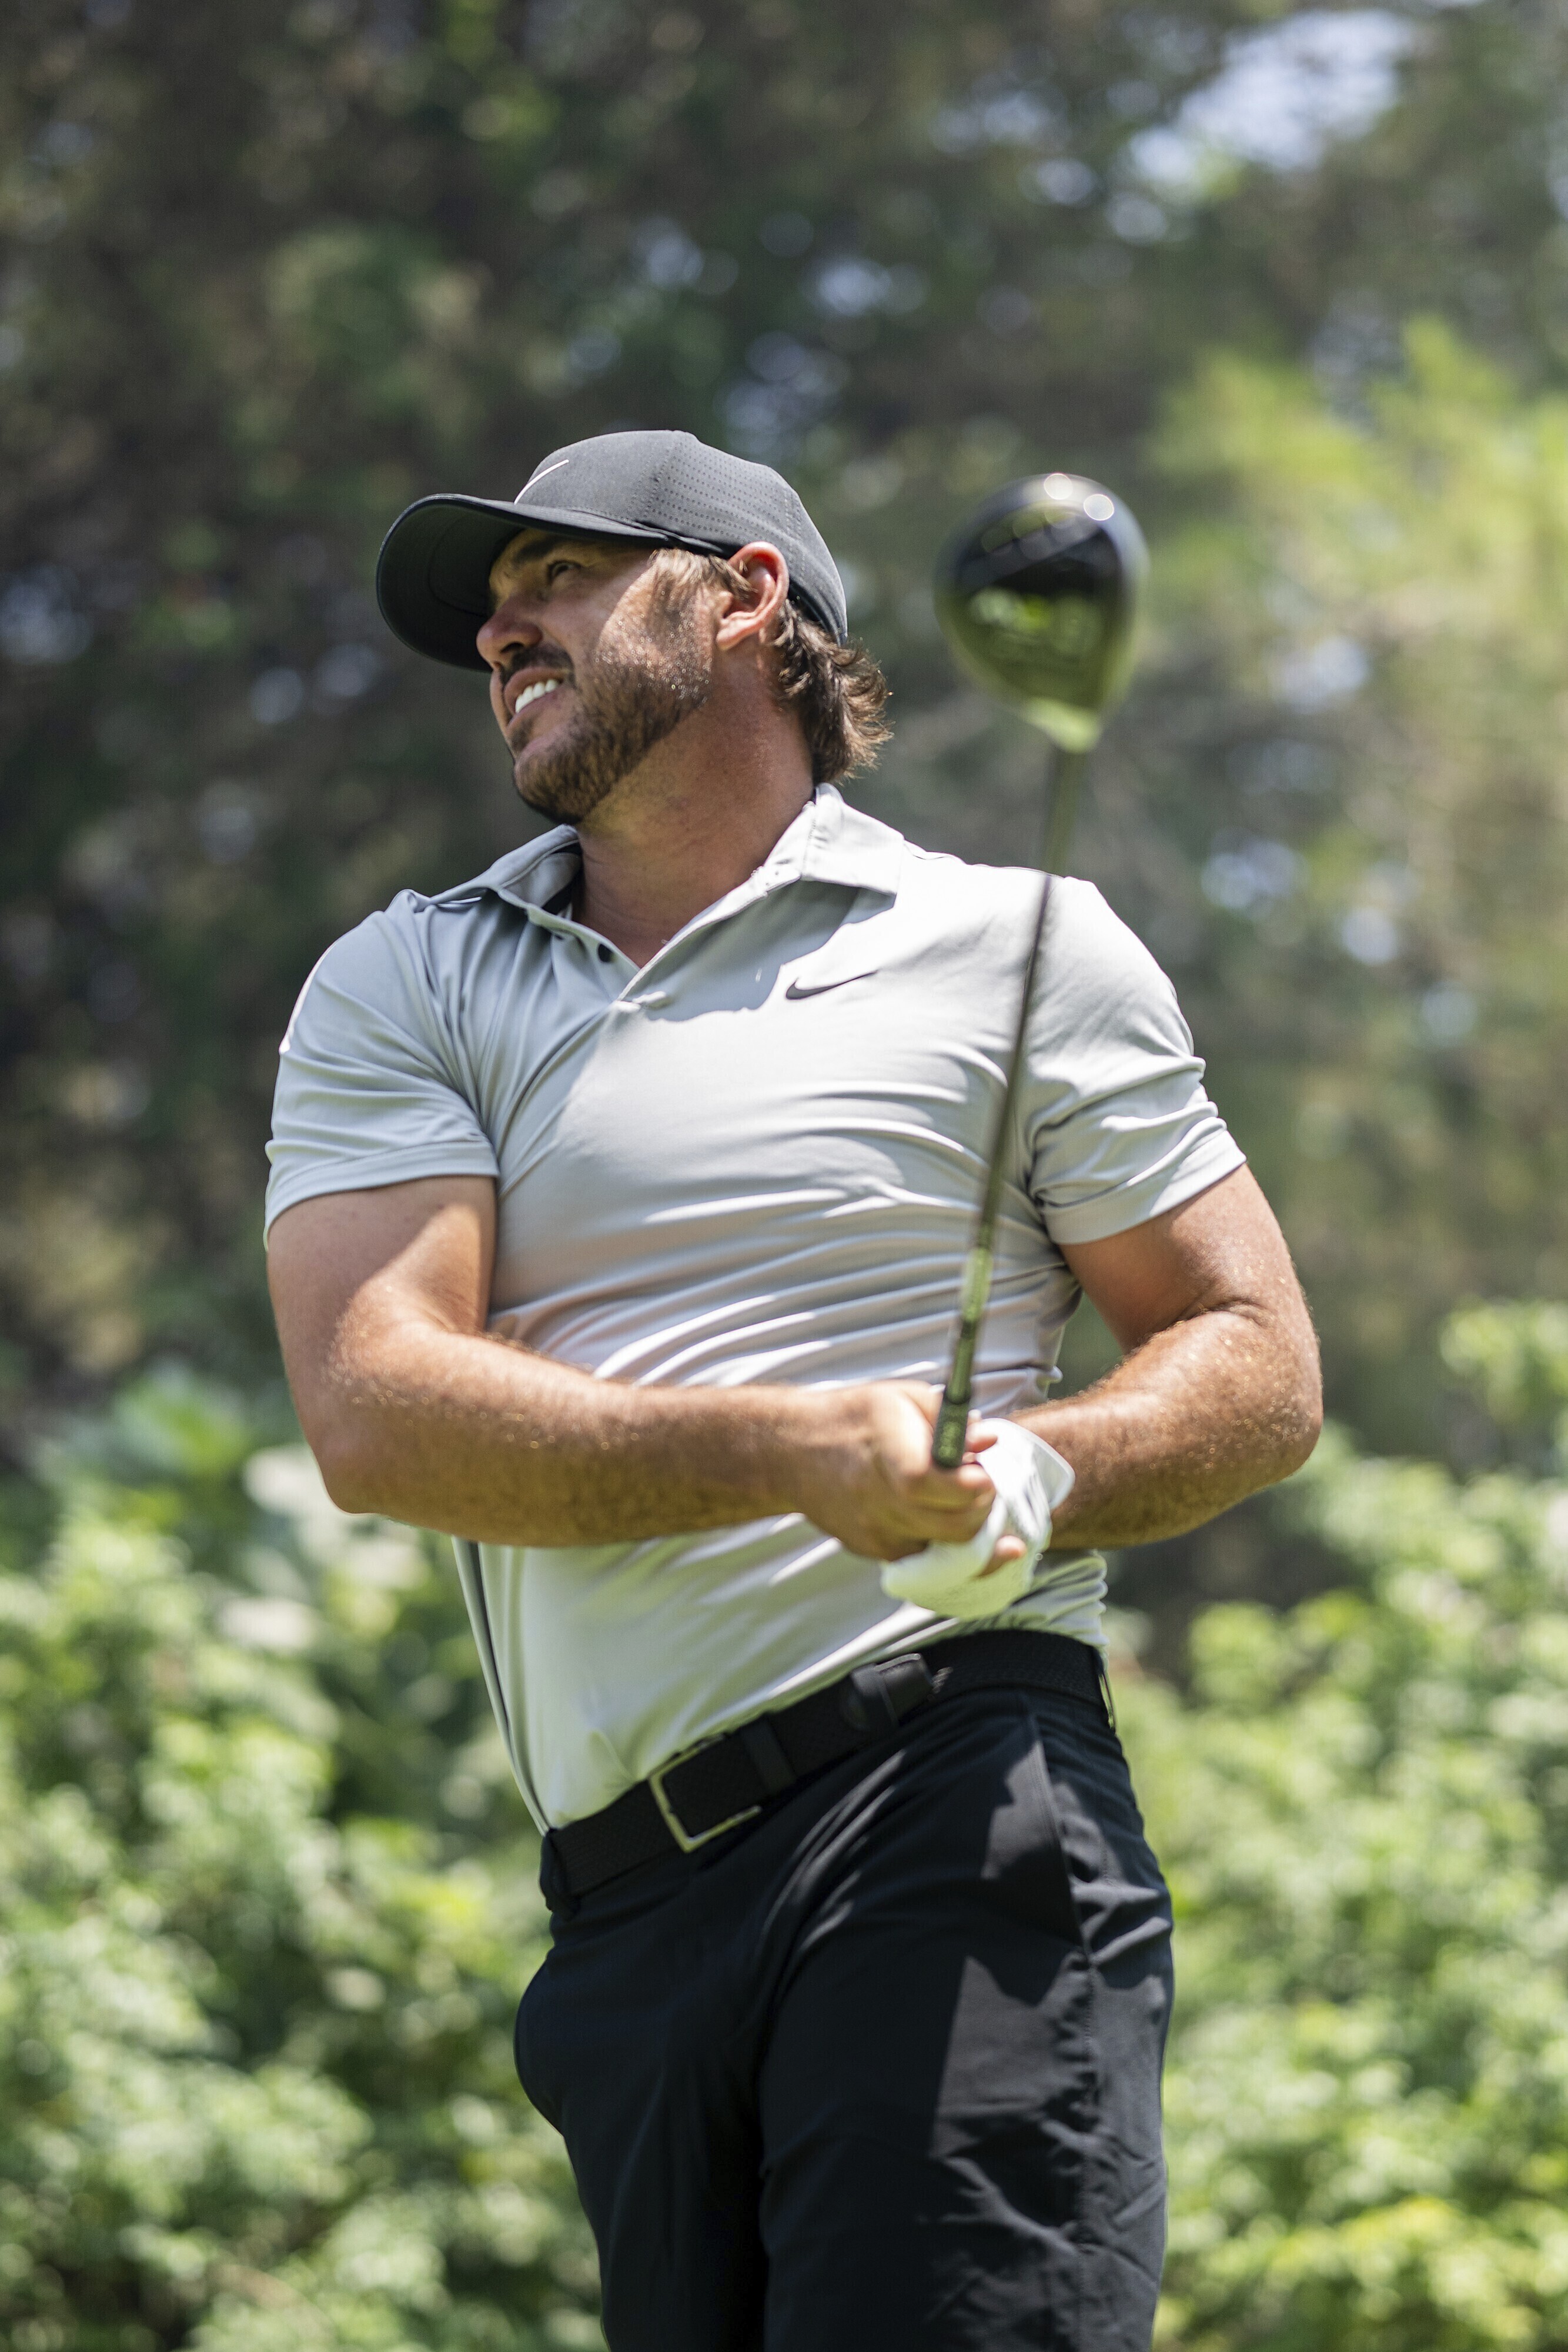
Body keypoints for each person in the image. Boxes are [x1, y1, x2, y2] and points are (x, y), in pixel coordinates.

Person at [265, 429, 1321, 2352]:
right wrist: (791, 1450)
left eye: (565, 574)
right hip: (619, 1925)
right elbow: (376, 1410)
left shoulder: (1019, 948)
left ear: (747, 595)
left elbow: (1252, 1361)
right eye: (492, 611)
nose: (504, 624)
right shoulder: (405, 981)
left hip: (946, 1806)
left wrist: (1034, 1472)